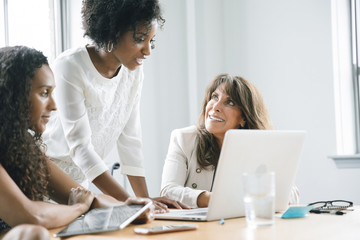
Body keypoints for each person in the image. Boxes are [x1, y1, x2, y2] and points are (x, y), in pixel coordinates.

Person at [42, 0, 185, 211]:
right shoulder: (70, 66)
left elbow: (130, 141)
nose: (147, 51)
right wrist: (130, 202)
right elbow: (80, 147)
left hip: (80, 186)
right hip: (44, 180)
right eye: (139, 39)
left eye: (151, 42)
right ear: (111, 32)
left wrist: (146, 202)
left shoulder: (133, 72)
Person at [0, 46, 154, 239]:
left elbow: (84, 196)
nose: (54, 106)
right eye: (44, 93)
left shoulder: (22, 147)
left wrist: (129, 209)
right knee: (34, 233)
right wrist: (80, 207)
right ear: (12, 96)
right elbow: (33, 216)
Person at [160, 74, 300, 208]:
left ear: (243, 118)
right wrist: (215, 200)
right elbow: (168, 191)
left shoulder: (259, 145)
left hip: (239, 226)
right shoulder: (183, 138)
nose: (215, 107)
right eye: (214, 97)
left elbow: (291, 194)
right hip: (195, 228)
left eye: (230, 102)